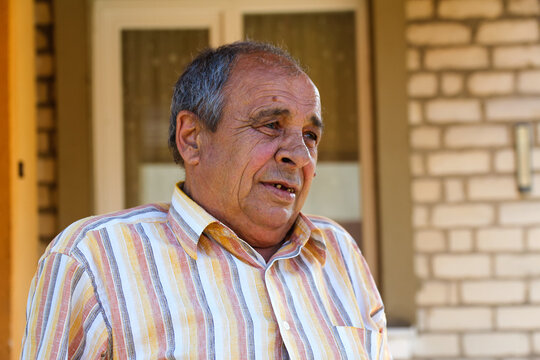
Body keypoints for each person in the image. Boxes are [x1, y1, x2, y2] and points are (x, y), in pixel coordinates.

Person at [21, 41, 391, 359]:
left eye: (310, 135)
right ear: (193, 138)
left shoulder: (339, 253)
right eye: (271, 125)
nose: (300, 155)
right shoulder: (91, 259)